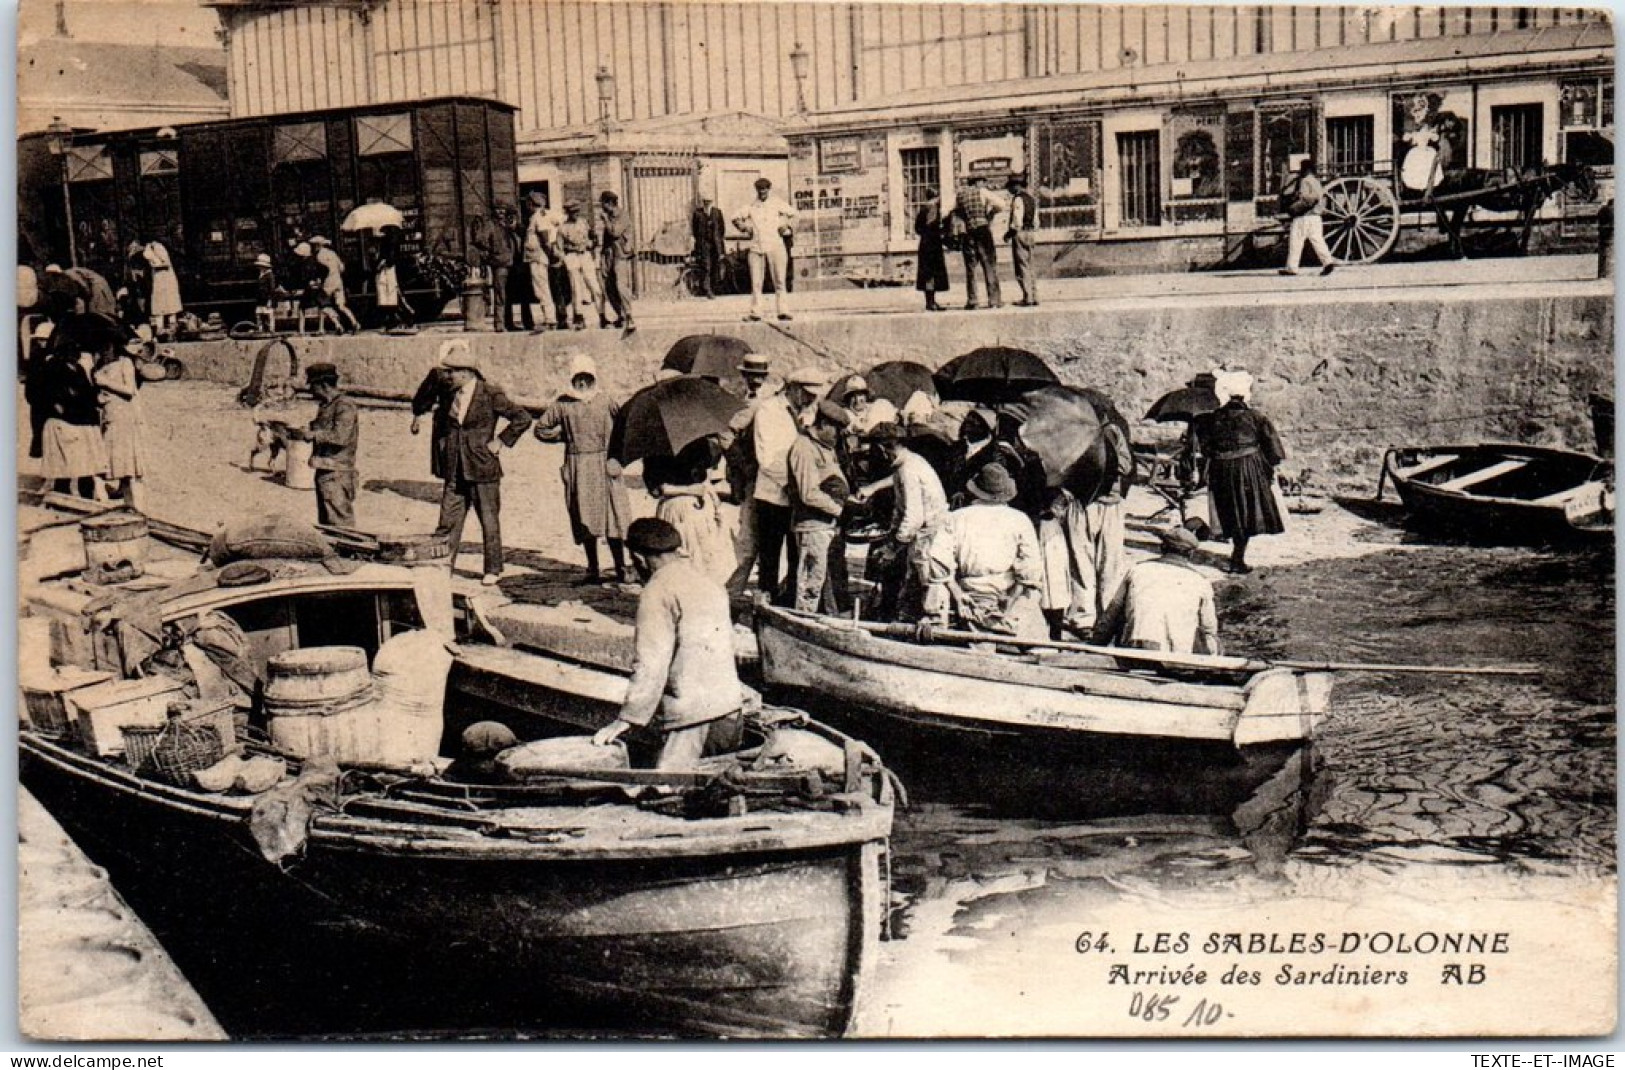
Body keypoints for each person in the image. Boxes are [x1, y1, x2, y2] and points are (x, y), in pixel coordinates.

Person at [591, 518, 748, 770]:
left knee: (669, 793)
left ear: (639, 559)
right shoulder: (709, 582)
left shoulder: (658, 590)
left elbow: (651, 663)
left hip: (692, 721)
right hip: (730, 711)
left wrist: (628, 717)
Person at [429, 350, 534, 585]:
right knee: (448, 520)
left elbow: (522, 418)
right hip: (454, 467)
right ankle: (442, 564)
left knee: (488, 519)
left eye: (451, 372)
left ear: (466, 373)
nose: (448, 376)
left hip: (482, 466)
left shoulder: (490, 393)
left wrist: (501, 441)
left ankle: (493, 569)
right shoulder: (448, 394)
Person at [730, 365, 825, 602]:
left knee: (796, 555)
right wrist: (795, 486)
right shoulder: (768, 411)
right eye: (808, 395)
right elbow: (768, 459)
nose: (811, 401)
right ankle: (765, 604)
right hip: (773, 495)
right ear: (793, 389)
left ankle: (790, 600)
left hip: (797, 496)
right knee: (770, 556)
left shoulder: (803, 412)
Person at [533, 355, 630, 585]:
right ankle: (593, 568)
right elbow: (540, 428)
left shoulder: (606, 400)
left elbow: (625, 425)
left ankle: (621, 567)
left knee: (613, 517)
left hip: (605, 463)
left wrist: (618, 454)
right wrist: (563, 435)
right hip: (579, 466)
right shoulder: (563, 404)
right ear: (573, 380)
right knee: (585, 516)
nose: (583, 383)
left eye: (587, 378)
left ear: (594, 377)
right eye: (579, 379)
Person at [927, 462, 1046, 639]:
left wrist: (958, 596)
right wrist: (1010, 601)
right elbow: (1030, 570)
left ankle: (940, 629)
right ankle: (1027, 641)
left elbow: (938, 563)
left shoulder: (956, 518)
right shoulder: (1020, 520)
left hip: (966, 592)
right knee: (1031, 599)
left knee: (936, 589)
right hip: (1008, 594)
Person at [1194, 368, 1286, 574]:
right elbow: (1274, 451)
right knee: (1246, 511)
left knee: (1229, 510)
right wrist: (1267, 468)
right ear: (1244, 395)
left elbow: (1206, 448)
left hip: (1221, 470)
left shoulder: (1212, 419)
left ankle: (1236, 553)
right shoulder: (1257, 418)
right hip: (1248, 469)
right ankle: (1238, 557)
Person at [855, 421, 948, 622]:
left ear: (881, 448)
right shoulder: (909, 463)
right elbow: (896, 482)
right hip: (923, 535)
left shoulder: (908, 470)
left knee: (922, 591)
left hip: (927, 537)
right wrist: (873, 489)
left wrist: (891, 549)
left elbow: (913, 519)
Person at [1096, 526, 1221, 655]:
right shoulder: (1201, 581)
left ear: (1162, 548)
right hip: (1177, 657)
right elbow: (1209, 630)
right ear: (1191, 554)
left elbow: (1111, 615)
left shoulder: (1138, 570)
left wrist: (1096, 644)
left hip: (1135, 651)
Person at [788, 400, 852, 615]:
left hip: (827, 524)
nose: (838, 437)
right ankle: (804, 620)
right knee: (811, 582)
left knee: (827, 578)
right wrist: (840, 509)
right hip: (812, 525)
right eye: (836, 431)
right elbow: (809, 493)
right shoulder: (804, 448)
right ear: (823, 424)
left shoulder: (825, 447)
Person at [649, 438, 735, 587]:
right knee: (686, 557)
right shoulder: (695, 440)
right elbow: (658, 489)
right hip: (681, 508)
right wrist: (691, 490)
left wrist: (712, 497)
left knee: (695, 557)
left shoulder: (656, 445)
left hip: (693, 508)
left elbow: (656, 490)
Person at [286, 363, 359, 528]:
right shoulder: (326, 405)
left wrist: (313, 434)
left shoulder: (344, 406)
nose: (311, 390)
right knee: (327, 523)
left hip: (337, 473)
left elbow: (341, 437)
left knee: (341, 525)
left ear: (324, 385)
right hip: (325, 470)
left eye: (313, 386)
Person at [39, 342, 107, 499]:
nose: (76, 354)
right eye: (72, 351)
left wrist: (95, 392)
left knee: (86, 464)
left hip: (82, 418)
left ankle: (86, 495)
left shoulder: (80, 369)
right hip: (65, 419)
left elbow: (87, 392)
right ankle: (62, 497)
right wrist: (57, 405)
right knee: (63, 465)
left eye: (77, 351)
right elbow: (46, 391)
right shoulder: (54, 367)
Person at [733, 177, 797, 322]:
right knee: (756, 282)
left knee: (779, 280)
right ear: (756, 190)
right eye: (759, 190)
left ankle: (783, 311)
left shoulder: (776, 203)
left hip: (775, 245)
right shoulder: (751, 206)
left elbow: (794, 214)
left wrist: (786, 225)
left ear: (769, 189)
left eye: (765, 189)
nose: (762, 192)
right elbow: (735, 217)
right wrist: (744, 227)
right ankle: (756, 312)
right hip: (756, 247)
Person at [93, 337, 146, 509]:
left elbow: (129, 390)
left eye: (107, 347)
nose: (104, 351)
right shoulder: (99, 368)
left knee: (124, 456)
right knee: (107, 455)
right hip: (109, 414)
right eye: (101, 348)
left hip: (124, 415)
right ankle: (105, 498)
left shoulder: (125, 363)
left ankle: (130, 502)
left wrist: (105, 382)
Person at [410, 340, 462, 477]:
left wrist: (417, 417)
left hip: (450, 418)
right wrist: (417, 416)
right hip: (449, 419)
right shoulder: (440, 374)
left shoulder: (440, 374)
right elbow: (425, 396)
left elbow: (424, 396)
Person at [1279, 158, 1336, 278]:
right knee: (1317, 240)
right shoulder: (1316, 181)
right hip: (1316, 217)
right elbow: (1317, 197)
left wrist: (1294, 208)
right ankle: (1328, 262)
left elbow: (1307, 199)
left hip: (1304, 217)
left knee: (1295, 241)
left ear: (1305, 169)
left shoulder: (1305, 181)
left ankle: (1292, 268)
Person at [953, 174, 1002, 310]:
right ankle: (994, 301)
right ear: (978, 182)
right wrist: (990, 213)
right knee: (989, 265)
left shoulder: (960, 195)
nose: (984, 184)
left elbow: (952, 211)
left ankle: (973, 301)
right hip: (982, 230)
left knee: (971, 268)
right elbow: (1001, 204)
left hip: (968, 232)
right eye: (983, 181)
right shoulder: (983, 192)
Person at [556, 200, 604, 330]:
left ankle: (602, 315)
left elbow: (594, 238)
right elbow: (559, 248)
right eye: (572, 212)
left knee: (595, 286)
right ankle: (579, 317)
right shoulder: (562, 227)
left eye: (577, 211)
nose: (576, 214)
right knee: (576, 288)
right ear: (567, 213)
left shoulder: (584, 223)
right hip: (572, 256)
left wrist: (592, 244)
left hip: (585, 255)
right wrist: (565, 259)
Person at [598, 191, 636, 335]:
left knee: (621, 286)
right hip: (609, 256)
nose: (601, 206)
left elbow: (615, 232)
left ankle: (629, 316)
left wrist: (606, 221)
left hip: (620, 255)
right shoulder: (609, 217)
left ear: (609, 203)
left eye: (603, 203)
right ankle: (620, 315)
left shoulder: (622, 216)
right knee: (609, 287)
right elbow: (606, 241)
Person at [522, 191, 561, 329]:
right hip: (536, 257)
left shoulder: (539, 217)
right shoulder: (538, 216)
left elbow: (545, 238)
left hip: (538, 257)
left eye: (527, 203)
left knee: (541, 289)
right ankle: (549, 318)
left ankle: (550, 319)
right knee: (541, 288)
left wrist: (551, 254)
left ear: (531, 204)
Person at [310, 236, 361, 333]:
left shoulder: (319, 256)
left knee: (323, 305)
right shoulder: (332, 253)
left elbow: (323, 270)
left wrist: (319, 280)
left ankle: (333, 326)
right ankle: (354, 322)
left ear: (317, 245)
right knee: (341, 305)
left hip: (328, 282)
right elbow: (341, 267)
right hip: (338, 280)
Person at [493, 206, 529, 331]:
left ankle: (528, 322)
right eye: (509, 217)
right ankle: (508, 323)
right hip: (509, 266)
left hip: (521, 266)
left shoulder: (522, 230)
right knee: (507, 296)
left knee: (525, 296)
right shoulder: (502, 231)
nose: (511, 220)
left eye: (513, 217)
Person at [913, 187, 949, 312]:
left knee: (927, 272)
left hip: (924, 243)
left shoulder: (922, 209)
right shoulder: (933, 208)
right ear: (936, 196)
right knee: (931, 272)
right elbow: (932, 225)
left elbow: (917, 229)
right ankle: (931, 303)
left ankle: (930, 302)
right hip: (932, 244)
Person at [1006, 174, 1039, 307]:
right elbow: (1036, 221)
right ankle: (1034, 295)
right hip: (1031, 232)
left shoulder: (1018, 199)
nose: (1009, 190)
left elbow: (1017, 220)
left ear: (1017, 186)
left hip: (1020, 234)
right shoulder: (1031, 199)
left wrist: (1009, 233)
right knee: (1031, 265)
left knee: (1022, 266)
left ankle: (1027, 297)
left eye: (1011, 187)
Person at [143, 237, 184, 339]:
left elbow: (165, 262)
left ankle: (171, 332)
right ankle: (161, 331)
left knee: (170, 307)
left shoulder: (157, 247)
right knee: (160, 307)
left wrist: (153, 261)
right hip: (159, 281)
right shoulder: (151, 248)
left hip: (166, 281)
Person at [690, 193, 727, 297]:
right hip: (704, 245)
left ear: (712, 202)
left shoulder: (717, 212)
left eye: (709, 201)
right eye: (705, 201)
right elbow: (695, 230)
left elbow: (722, 229)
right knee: (706, 267)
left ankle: (714, 288)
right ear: (703, 202)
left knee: (715, 267)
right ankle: (707, 290)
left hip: (716, 245)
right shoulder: (697, 213)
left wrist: (719, 244)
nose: (707, 203)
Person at [374, 225, 409, 330]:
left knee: (388, 296)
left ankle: (392, 321)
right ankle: (392, 320)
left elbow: (388, 261)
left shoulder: (387, 248)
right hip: (387, 273)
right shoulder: (391, 246)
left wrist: (380, 263)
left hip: (386, 273)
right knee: (390, 297)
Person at [253, 253, 279, 333]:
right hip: (261, 298)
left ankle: (271, 330)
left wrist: (270, 299)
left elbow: (272, 289)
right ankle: (261, 329)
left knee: (269, 315)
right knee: (259, 314)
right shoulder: (261, 274)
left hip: (267, 298)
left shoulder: (270, 275)